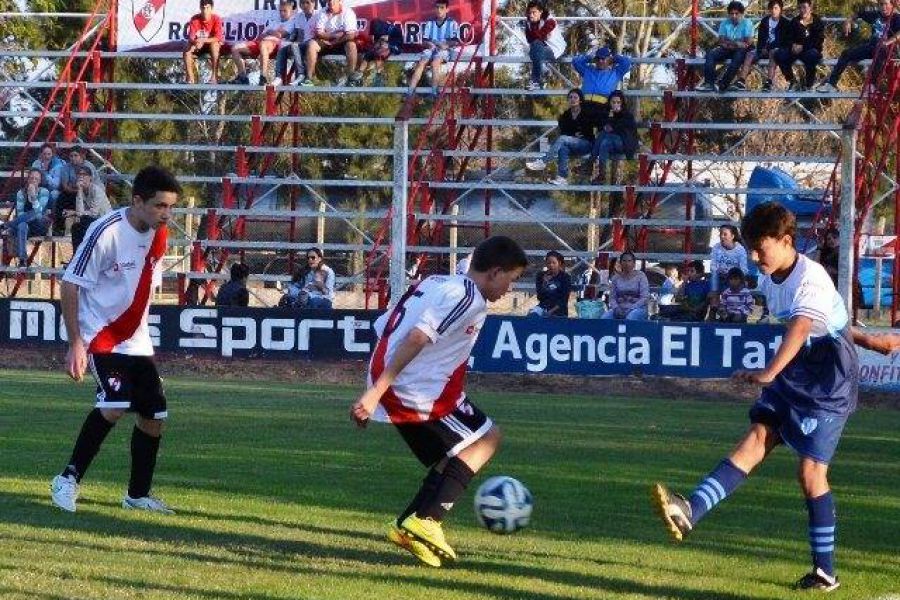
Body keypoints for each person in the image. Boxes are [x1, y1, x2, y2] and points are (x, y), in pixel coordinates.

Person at [653, 202, 860, 592]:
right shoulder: (769, 278)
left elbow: (802, 326)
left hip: (828, 383)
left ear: (785, 241)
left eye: (758, 247)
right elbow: (831, 323)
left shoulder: (810, 278)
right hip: (798, 370)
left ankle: (825, 574)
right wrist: (871, 340)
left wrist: (769, 372)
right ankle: (690, 510)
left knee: (810, 474)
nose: (752, 256)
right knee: (756, 438)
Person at [350, 236, 527, 568]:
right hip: (412, 387)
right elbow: (417, 337)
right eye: (511, 280)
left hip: (409, 382)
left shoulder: (440, 282)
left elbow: (385, 326)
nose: (510, 289)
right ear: (494, 272)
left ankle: (408, 526)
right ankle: (426, 520)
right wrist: (374, 395)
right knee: (487, 438)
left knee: (455, 455)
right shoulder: (468, 298)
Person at [49, 165, 181, 515]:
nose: (166, 214)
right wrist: (76, 342)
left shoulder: (159, 234)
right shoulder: (105, 232)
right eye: (159, 206)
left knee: (155, 415)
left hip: (136, 340)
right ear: (137, 201)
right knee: (114, 405)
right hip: (101, 334)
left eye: (170, 207)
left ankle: (137, 496)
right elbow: (70, 283)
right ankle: (67, 479)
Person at [817, 0, 900, 93]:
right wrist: (848, 20)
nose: (883, 7)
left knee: (880, 50)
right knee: (846, 53)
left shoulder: (896, 18)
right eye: (881, 4)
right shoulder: (876, 15)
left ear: (892, 5)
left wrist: (887, 42)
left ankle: (872, 85)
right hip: (872, 46)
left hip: (888, 50)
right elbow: (858, 13)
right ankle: (831, 84)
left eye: (886, 4)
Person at [525, 88, 595, 186]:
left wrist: (574, 133)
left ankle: (544, 161)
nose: (573, 99)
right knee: (563, 147)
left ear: (580, 100)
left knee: (563, 139)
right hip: (571, 145)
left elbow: (587, 131)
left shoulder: (586, 113)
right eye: (570, 97)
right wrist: (574, 134)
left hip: (586, 144)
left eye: (575, 97)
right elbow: (565, 131)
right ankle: (562, 177)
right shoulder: (565, 115)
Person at [229, 0, 295, 86]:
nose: (282, 13)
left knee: (263, 44)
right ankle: (243, 77)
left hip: (274, 44)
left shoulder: (292, 22)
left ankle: (262, 76)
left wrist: (270, 32)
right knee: (235, 48)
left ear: (291, 11)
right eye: (280, 11)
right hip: (261, 42)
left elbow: (279, 35)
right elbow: (262, 35)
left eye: (285, 11)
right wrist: (271, 32)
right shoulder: (274, 21)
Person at [696, 1, 755, 92]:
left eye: (736, 13)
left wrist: (730, 41)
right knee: (711, 54)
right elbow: (721, 40)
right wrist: (736, 42)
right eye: (732, 14)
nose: (734, 16)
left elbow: (748, 42)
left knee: (738, 57)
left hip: (741, 50)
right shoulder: (725, 23)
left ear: (742, 14)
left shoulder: (747, 23)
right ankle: (709, 83)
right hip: (727, 48)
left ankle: (723, 84)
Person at [406, 0, 461, 97]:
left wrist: (446, 45)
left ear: (447, 9)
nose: (439, 10)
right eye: (437, 7)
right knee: (421, 63)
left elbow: (455, 41)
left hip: (444, 50)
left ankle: (434, 92)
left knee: (435, 63)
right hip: (432, 48)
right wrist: (429, 45)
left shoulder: (452, 23)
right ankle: (410, 91)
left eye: (442, 8)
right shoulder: (430, 22)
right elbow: (424, 40)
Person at [733, 0, 789, 92]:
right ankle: (741, 81)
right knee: (750, 53)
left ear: (780, 9)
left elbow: (784, 41)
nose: (773, 10)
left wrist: (769, 48)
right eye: (771, 8)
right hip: (762, 49)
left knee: (773, 52)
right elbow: (760, 38)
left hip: (776, 50)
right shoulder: (765, 21)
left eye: (776, 8)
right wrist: (762, 48)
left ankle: (768, 82)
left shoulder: (785, 23)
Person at [302, 0, 358, 87]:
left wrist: (335, 41)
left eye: (333, 1)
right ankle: (309, 78)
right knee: (312, 44)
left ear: (340, 1)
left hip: (341, 43)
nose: (330, 3)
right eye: (328, 1)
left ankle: (351, 77)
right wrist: (333, 36)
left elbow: (351, 35)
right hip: (326, 42)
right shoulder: (322, 12)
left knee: (351, 45)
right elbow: (319, 33)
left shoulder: (348, 12)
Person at [1, 168, 51, 265]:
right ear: (28, 179)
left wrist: (33, 196)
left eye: (36, 179)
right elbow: (20, 214)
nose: (33, 180)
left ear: (40, 181)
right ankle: (22, 259)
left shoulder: (44, 192)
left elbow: (39, 212)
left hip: (39, 225)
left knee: (35, 214)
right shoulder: (21, 193)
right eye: (31, 178)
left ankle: (6, 225)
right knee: (22, 225)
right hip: (24, 226)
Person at [774, 0, 825, 91]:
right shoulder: (794, 21)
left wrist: (803, 46)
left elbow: (818, 40)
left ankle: (809, 84)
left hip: (810, 50)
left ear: (810, 8)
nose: (802, 10)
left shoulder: (817, 21)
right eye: (800, 8)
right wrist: (792, 45)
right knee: (779, 54)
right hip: (795, 50)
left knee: (812, 55)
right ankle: (792, 81)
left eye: (804, 7)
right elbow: (788, 38)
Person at [590, 90, 638, 184]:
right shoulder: (607, 113)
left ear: (622, 103)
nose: (616, 104)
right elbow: (600, 124)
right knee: (604, 141)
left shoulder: (627, 115)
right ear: (610, 103)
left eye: (618, 102)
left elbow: (626, 129)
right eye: (613, 102)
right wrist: (608, 121)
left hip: (623, 142)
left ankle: (591, 162)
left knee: (605, 138)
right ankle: (602, 175)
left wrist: (613, 124)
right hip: (609, 143)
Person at [523, 0, 565, 91]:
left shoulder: (550, 21)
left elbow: (539, 36)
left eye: (534, 12)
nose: (531, 15)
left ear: (541, 12)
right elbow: (529, 39)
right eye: (529, 13)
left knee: (536, 48)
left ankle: (536, 81)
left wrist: (538, 36)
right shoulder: (529, 22)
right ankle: (543, 73)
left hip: (555, 49)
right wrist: (539, 36)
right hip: (539, 49)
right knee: (534, 49)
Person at [274, 0, 318, 86]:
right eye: (302, 3)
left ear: (313, 3)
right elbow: (300, 35)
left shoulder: (319, 15)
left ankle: (301, 74)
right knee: (283, 47)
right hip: (303, 43)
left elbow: (320, 33)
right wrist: (292, 44)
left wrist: (296, 45)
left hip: (314, 43)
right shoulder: (299, 16)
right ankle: (278, 77)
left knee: (295, 46)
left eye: (307, 3)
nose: (304, 5)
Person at [68, 165, 112, 252]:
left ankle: (86, 254)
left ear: (90, 177)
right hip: (90, 220)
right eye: (79, 174)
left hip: (104, 220)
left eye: (84, 175)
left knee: (84, 222)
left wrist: (74, 213)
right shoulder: (80, 192)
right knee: (76, 227)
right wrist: (79, 190)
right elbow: (80, 212)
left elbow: (94, 213)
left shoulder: (97, 191)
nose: (81, 177)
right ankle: (76, 255)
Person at [56, 146, 99, 233]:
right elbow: (65, 186)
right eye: (71, 156)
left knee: (81, 200)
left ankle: (80, 222)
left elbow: (92, 184)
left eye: (76, 155)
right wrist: (78, 190)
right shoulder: (66, 167)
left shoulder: (89, 166)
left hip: (90, 192)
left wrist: (80, 190)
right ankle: (59, 226)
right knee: (61, 197)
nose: (73, 158)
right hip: (74, 191)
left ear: (82, 156)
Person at [352, 19, 404, 87]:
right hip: (384, 43)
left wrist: (388, 44)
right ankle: (363, 73)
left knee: (378, 53)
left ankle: (378, 75)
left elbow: (397, 46)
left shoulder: (393, 33)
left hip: (391, 43)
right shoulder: (377, 32)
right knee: (371, 54)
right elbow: (375, 44)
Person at [183, 0, 224, 84]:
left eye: (207, 8)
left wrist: (203, 40)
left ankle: (214, 77)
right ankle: (190, 78)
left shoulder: (216, 19)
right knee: (187, 49)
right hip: (199, 46)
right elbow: (191, 37)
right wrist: (195, 42)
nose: (205, 10)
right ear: (200, 8)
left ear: (211, 8)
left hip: (211, 46)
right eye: (203, 7)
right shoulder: (194, 19)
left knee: (215, 45)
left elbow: (218, 37)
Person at [601, 251, 649, 320]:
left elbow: (644, 298)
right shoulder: (615, 278)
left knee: (630, 318)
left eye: (629, 261)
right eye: (624, 261)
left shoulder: (641, 276)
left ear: (634, 263)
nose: (627, 263)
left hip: (637, 308)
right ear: (620, 263)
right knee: (605, 318)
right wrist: (616, 308)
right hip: (620, 308)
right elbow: (612, 298)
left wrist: (631, 309)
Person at [709, 224, 748, 296]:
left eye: (725, 234)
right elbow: (713, 266)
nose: (722, 236)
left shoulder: (740, 250)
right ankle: (714, 301)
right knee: (713, 276)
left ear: (732, 236)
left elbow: (743, 269)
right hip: (719, 277)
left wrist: (732, 276)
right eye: (721, 234)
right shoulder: (716, 247)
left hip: (733, 278)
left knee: (736, 281)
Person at [530, 250, 572, 317]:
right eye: (548, 263)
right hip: (543, 307)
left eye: (554, 263)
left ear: (559, 263)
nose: (551, 265)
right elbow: (540, 297)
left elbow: (564, 299)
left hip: (559, 309)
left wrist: (550, 311)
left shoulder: (565, 277)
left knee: (553, 319)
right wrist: (544, 283)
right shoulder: (541, 276)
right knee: (532, 316)